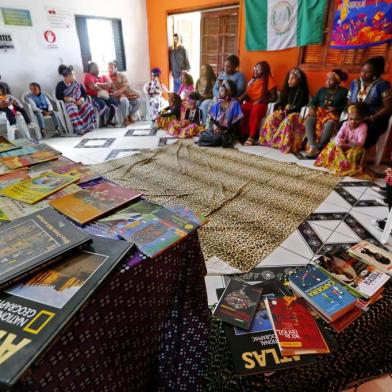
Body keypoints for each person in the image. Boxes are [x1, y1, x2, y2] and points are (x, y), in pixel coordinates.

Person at [259, 67, 309, 153]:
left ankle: (281, 143)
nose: (290, 80)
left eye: (293, 78)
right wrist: (278, 106)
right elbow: (282, 102)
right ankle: (268, 140)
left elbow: (300, 107)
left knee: (288, 120)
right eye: (289, 78)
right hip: (286, 111)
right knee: (272, 116)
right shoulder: (286, 89)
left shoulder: (303, 91)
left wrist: (288, 110)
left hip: (296, 115)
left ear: (299, 80)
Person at [348, 56, 392, 148]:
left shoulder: (383, 85)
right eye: (362, 71)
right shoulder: (355, 83)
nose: (363, 74)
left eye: (367, 72)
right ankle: (344, 154)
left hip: (375, 119)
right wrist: (353, 115)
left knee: (367, 129)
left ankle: (358, 155)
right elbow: (349, 101)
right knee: (344, 126)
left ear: (375, 73)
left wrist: (370, 118)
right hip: (357, 117)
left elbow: (388, 108)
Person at [304, 69, 348, 157]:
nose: (327, 82)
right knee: (309, 120)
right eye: (327, 79)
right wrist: (312, 107)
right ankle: (313, 146)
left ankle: (319, 147)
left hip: (332, 114)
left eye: (331, 80)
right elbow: (313, 102)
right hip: (319, 113)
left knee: (330, 124)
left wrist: (336, 109)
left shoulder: (344, 92)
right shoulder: (322, 90)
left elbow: (346, 106)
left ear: (337, 81)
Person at [315, 104, 367, 177]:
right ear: (348, 117)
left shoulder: (363, 127)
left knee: (353, 153)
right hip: (343, 145)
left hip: (354, 148)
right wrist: (339, 141)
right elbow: (338, 136)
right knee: (331, 144)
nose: (353, 122)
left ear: (362, 119)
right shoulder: (345, 124)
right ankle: (335, 164)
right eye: (351, 119)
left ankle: (347, 168)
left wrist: (348, 142)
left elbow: (361, 143)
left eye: (357, 119)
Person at [239, 61, 278, 145]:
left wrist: (261, 100)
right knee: (243, 107)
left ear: (264, 70)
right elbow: (247, 94)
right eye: (255, 69)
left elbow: (274, 97)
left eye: (258, 69)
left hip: (262, 104)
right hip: (252, 103)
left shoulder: (269, 79)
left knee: (255, 110)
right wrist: (240, 99)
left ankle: (251, 136)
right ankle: (243, 133)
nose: (255, 71)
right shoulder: (253, 80)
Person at [201, 55, 246, 125]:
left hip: (230, 100)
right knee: (204, 104)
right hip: (219, 98)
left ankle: (218, 128)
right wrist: (219, 95)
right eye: (225, 66)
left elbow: (239, 91)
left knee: (215, 106)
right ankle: (205, 126)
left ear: (235, 66)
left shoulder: (239, 76)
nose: (225, 68)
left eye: (228, 67)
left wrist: (226, 92)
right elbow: (215, 88)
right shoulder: (222, 74)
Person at [197, 80, 243, 148]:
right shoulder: (218, 103)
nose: (219, 92)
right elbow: (212, 119)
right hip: (217, 131)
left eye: (222, 90)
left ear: (228, 91)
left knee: (219, 138)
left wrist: (223, 131)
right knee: (202, 135)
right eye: (219, 90)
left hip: (228, 132)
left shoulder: (234, 103)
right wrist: (215, 127)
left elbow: (236, 124)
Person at [55, 66, 96, 135]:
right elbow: (58, 96)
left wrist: (82, 99)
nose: (74, 76)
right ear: (66, 77)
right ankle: (79, 128)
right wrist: (67, 98)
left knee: (88, 106)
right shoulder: (60, 85)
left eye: (73, 74)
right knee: (72, 108)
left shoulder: (77, 83)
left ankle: (88, 126)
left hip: (79, 102)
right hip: (69, 103)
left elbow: (84, 94)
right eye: (72, 75)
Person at [83, 61, 118, 126]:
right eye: (96, 67)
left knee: (114, 103)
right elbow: (92, 87)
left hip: (105, 95)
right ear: (91, 69)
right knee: (102, 104)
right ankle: (102, 121)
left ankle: (109, 120)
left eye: (98, 67)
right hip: (94, 96)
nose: (98, 68)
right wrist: (103, 86)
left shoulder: (103, 76)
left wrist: (98, 84)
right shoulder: (88, 76)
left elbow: (109, 85)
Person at [107, 60, 141, 126]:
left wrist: (119, 91)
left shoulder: (121, 76)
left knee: (138, 100)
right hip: (117, 96)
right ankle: (125, 119)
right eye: (109, 68)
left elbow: (126, 86)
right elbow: (109, 89)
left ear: (115, 68)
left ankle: (129, 115)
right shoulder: (107, 78)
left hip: (126, 92)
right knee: (124, 100)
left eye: (112, 68)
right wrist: (116, 93)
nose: (110, 69)